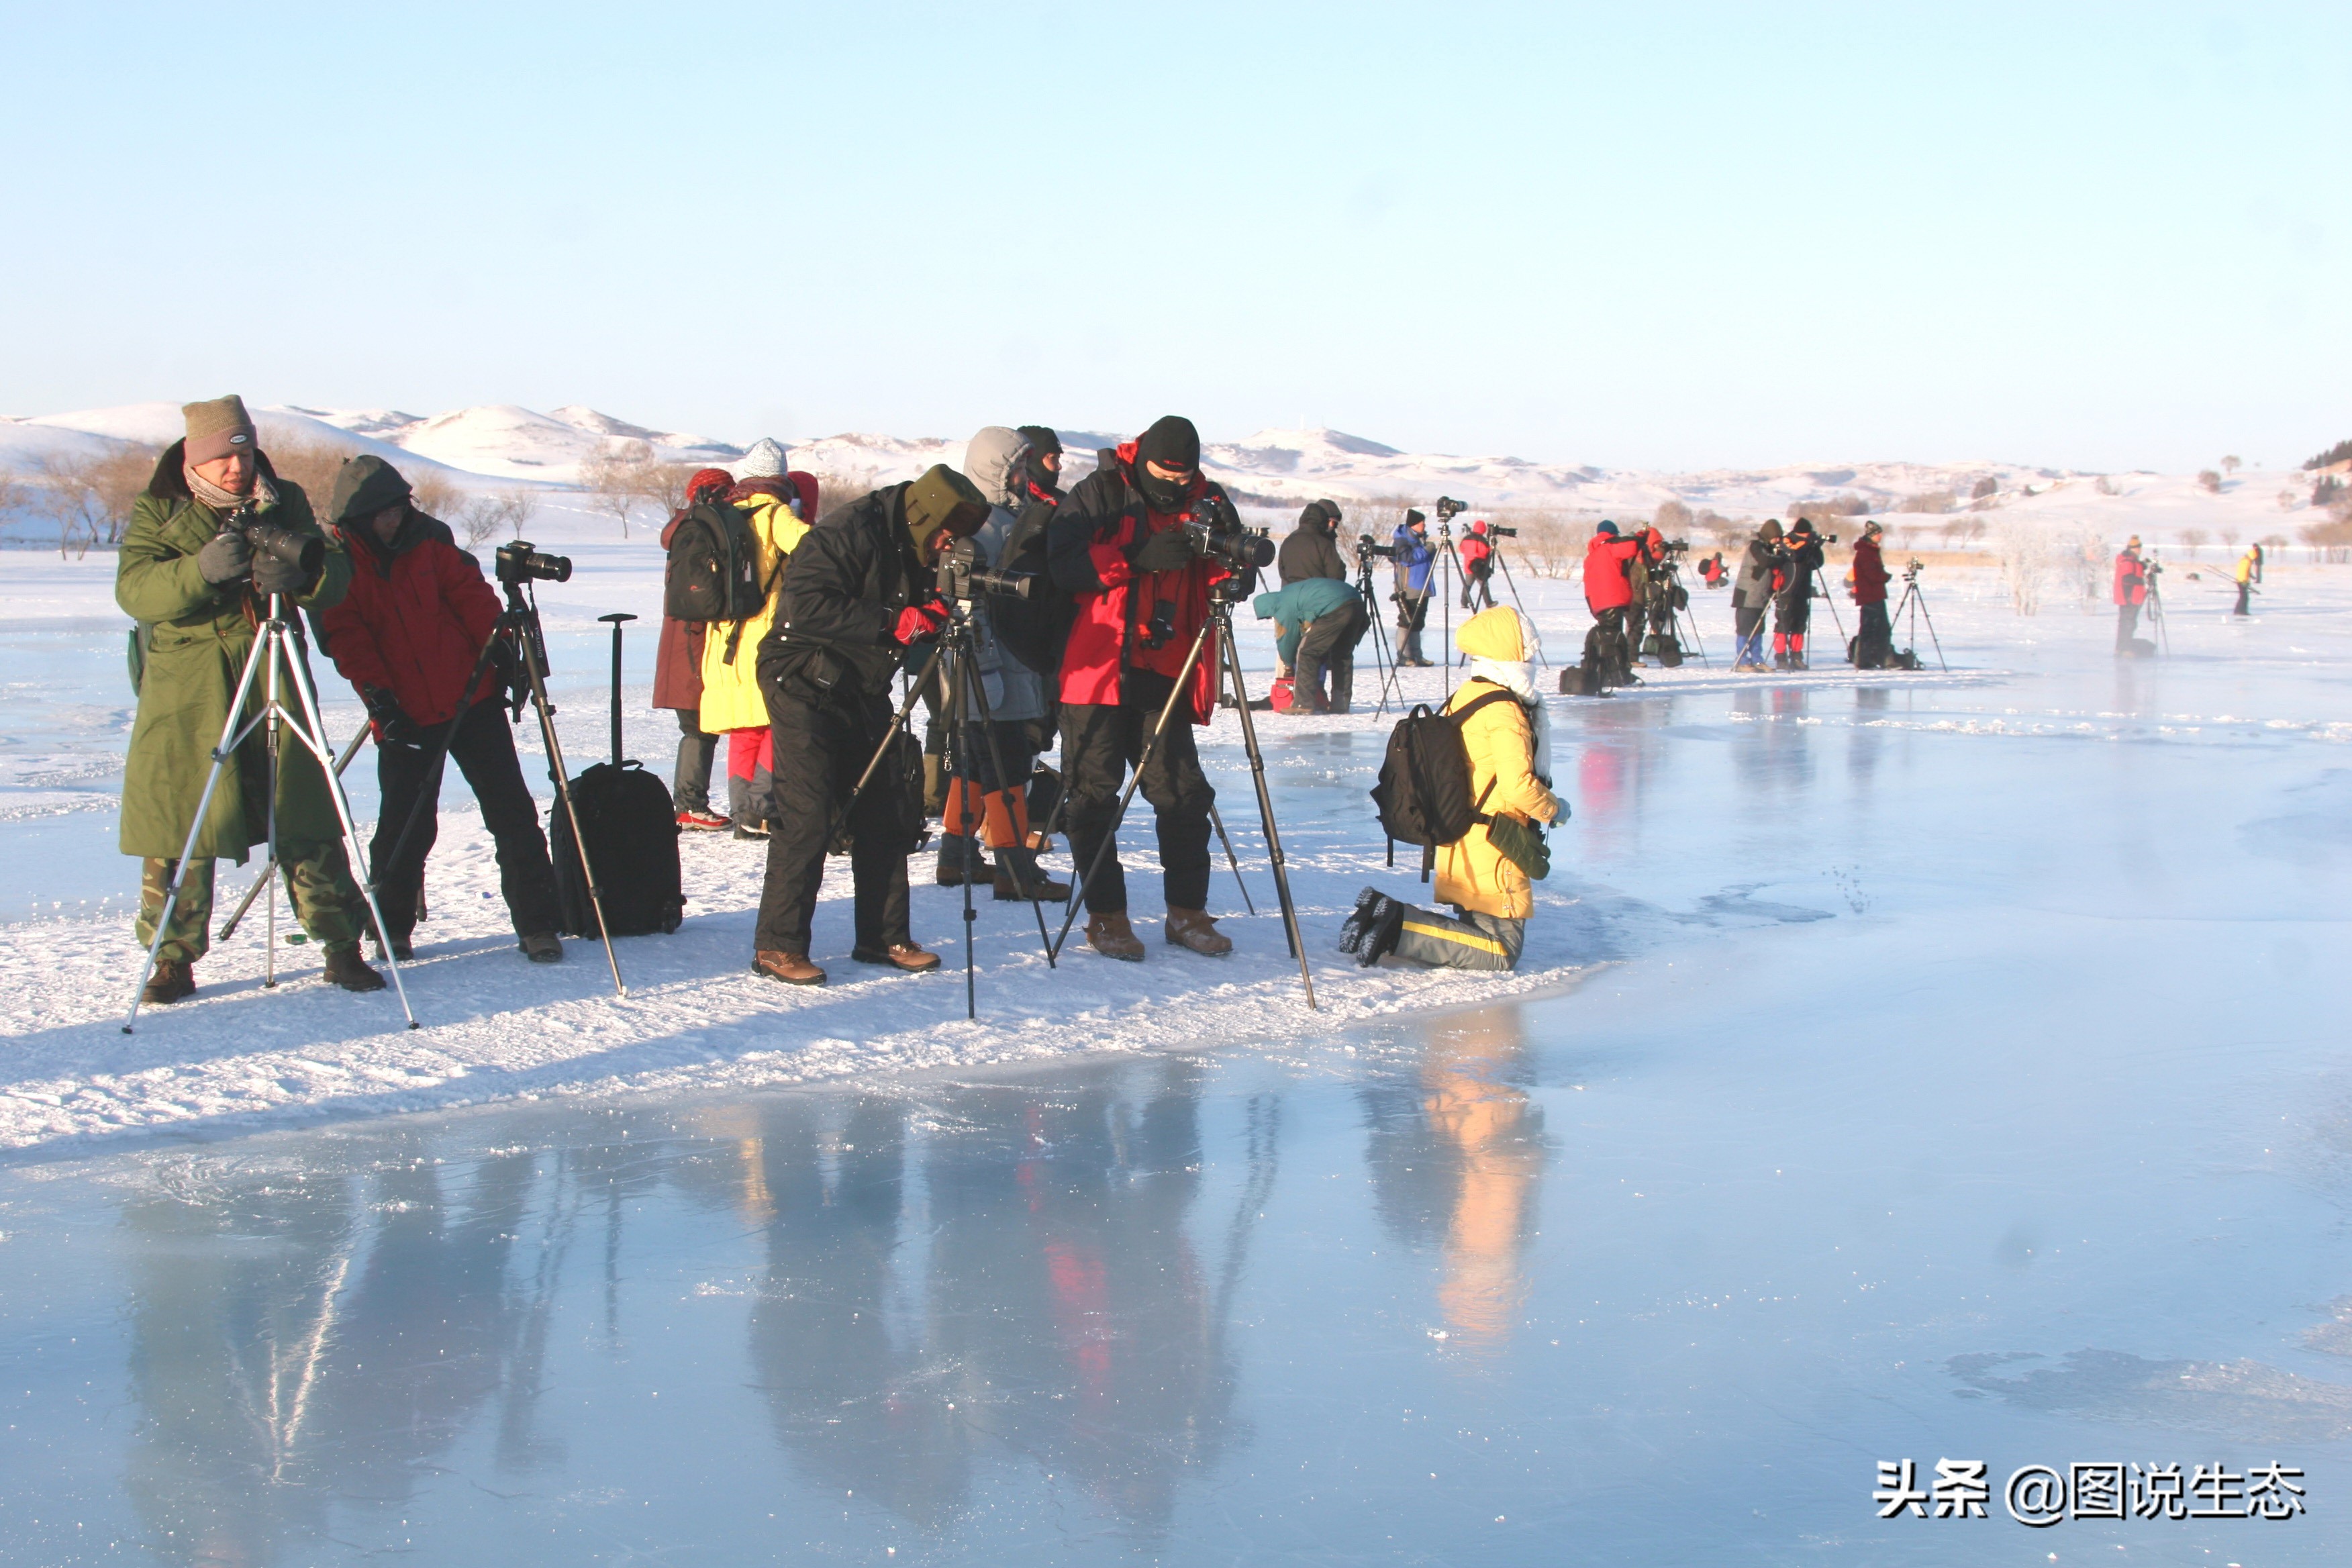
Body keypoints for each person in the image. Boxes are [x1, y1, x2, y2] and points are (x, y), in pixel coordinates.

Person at [115, 395, 383, 1003]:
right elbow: (133, 590)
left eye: (243, 454)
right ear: (195, 459)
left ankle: (342, 946)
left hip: (272, 663)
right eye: (221, 459)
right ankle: (171, 959)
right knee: (184, 819)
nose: (237, 469)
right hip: (189, 684)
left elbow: (335, 576)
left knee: (303, 809)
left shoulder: (282, 499)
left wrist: (303, 575)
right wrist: (200, 572)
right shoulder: (160, 509)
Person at [314, 455, 564, 964]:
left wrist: (498, 644)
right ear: (359, 515)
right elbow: (347, 637)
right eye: (385, 511)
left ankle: (539, 925)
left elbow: (471, 596)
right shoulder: (339, 563)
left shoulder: (431, 541)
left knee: (512, 814)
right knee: (405, 825)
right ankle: (392, 927)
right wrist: (379, 698)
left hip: (471, 697)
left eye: (400, 508)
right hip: (402, 711)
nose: (396, 518)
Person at [750, 464, 990, 985]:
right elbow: (804, 608)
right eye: (946, 536)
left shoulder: (915, 540)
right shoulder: (847, 532)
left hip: (860, 683)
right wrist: (891, 620)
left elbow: (909, 602)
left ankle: (883, 937)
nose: (948, 546)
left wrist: (931, 610)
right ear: (926, 516)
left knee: (887, 807)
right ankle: (779, 944)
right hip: (800, 678)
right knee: (808, 809)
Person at [1047, 414, 1235, 963]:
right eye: (1165, 472)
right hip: (1097, 670)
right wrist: (1132, 560)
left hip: (1166, 667)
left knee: (1182, 794)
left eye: (1186, 474)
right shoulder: (1101, 491)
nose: (1176, 482)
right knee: (1093, 796)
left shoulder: (1209, 497)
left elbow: (1225, 559)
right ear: (1143, 458)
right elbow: (1062, 564)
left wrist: (1230, 575)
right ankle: (1107, 917)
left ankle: (1187, 912)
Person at [1338, 607, 1563, 971]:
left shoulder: (1468, 694)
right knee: (1502, 951)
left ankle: (1377, 921)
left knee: (1476, 931)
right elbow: (1518, 786)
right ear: (1510, 650)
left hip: (1462, 836)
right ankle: (1395, 926)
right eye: (1528, 648)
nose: (1533, 657)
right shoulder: (1506, 709)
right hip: (1497, 842)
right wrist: (1554, 809)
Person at [942, 426, 1070, 901]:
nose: (1022, 477)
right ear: (995, 472)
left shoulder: (994, 519)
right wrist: (990, 664)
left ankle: (956, 856)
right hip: (996, 661)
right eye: (1015, 469)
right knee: (1008, 763)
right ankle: (1015, 869)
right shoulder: (984, 526)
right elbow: (967, 601)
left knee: (976, 762)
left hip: (991, 660)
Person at [700, 438, 808, 839]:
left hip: (723, 636)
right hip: (764, 633)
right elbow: (813, 548)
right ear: (780, 477)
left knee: (745, 727)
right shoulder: (774, 513)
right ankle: (761, 808)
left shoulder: (724, 512)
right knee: (779, 721)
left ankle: (741, 811)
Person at [657, 467, 736, 830]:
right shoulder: (701, 531)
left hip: (683, 640)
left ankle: (689, 802)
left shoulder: (687, 530)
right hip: (693, 641)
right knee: (697, 725)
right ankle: (689, 803)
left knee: (698, 724)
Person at [1253, 573, 1368, 715]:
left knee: (1307, 652)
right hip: (1355, 602)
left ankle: (1303, 704)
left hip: (1335, 607)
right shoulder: (1289, 594)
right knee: (1342, 655)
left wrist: (1288, 663)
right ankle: (1340, 704)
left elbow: (1287, 638)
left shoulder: (1283, 604)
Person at [1580, 521, 1643, 687]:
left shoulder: (1592, 555)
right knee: (1613, 638)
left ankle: (1608, 671)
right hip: (1613, 599)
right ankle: (1615, 673)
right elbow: (1633, 546)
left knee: (1607, 636)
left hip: (1598, 601)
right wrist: (1642, 535)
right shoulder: (1610, 547)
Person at [1731, 521, 1785, 671]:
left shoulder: (1768, 548)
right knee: (1745, 629)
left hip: (1760, 595)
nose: (1778, 541)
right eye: (1776, 537)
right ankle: (1742, 661)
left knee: (1758, 630)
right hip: (1748, 594)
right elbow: (1765, 561)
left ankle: (1757, 660)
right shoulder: (1756, 546)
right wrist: (1782, 558)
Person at [1773, 519, 1826, 669]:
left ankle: (1796, 656)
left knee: (1800, 624)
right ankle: (1781, 657)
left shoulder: (1807, 543)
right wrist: (1808, 543)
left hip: (1803, 591)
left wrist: (1816, 547)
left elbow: (1818, 563)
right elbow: (1794, 556)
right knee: (1783, 624)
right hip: (1787, 590)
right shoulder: (1787, 541)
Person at [1391, 509, 1435, 665]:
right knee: (1406, 621)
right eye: (1421, 523)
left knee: (1418, 622)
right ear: (1413, 525)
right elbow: (1407, 559)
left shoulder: (1419, 539)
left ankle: (1417, 655)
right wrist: (1426, 550)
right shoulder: (1402, 541)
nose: (1424, 525)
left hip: (1422, 586)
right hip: (1409, 587)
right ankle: (1403, 656)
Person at [1850, 521, 1893, 669]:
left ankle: (1877, 657)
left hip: (1875, 595)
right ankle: (1864, 660)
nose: (1881, 536)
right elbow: (1872, 575)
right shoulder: (1866, 553)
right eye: (1878, 534)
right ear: (1872, 536)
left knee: (1881, 628)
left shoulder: (1871, 551)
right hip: (1870, 596)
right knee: (1870, 628)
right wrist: (1886, 577)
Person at [1277, 499, 1348, 585]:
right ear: (1323, 519)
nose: (1332, 527)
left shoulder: (1288, 541)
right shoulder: (1324, 543)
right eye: (1332, 523)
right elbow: (1337, 576)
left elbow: (1283, 572)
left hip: (1291, 595)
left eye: (1335, 524)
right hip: (1320, 595)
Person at [2114, 536, 2149, 652]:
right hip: (2129, 598)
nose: (2140, 551)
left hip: (2130, 597)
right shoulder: (2128, 561)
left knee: (2127, 623)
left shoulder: (2131, 560)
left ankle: (2122, 648)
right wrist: (2142, 581)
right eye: (2139, 548)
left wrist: (2142, 566)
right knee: (2128, 624)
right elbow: (2127, 579)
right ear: (2135, 548)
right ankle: (2125, 649)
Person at [1457, 518, 1496, 609]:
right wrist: (1491, 549)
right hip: (1479, 567)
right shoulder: (1482, 540)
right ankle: (1488, 602)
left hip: (1468, 565)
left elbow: (1461, 549)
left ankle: (1464, 602)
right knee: (1484, 585)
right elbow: (1484, 552)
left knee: (1468, 585)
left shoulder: (1466, 539)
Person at [2233, 541, 2263, 616]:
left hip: (2241, 580)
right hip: (2242, 581)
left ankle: (2238, 611)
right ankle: (2242, 612)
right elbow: (2244, 571)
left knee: (2243, 597)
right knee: (2244, 598)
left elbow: (2246, 571)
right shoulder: (2247, 561)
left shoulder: (2245, 559)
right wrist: (2244, 581)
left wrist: (2250, 576)